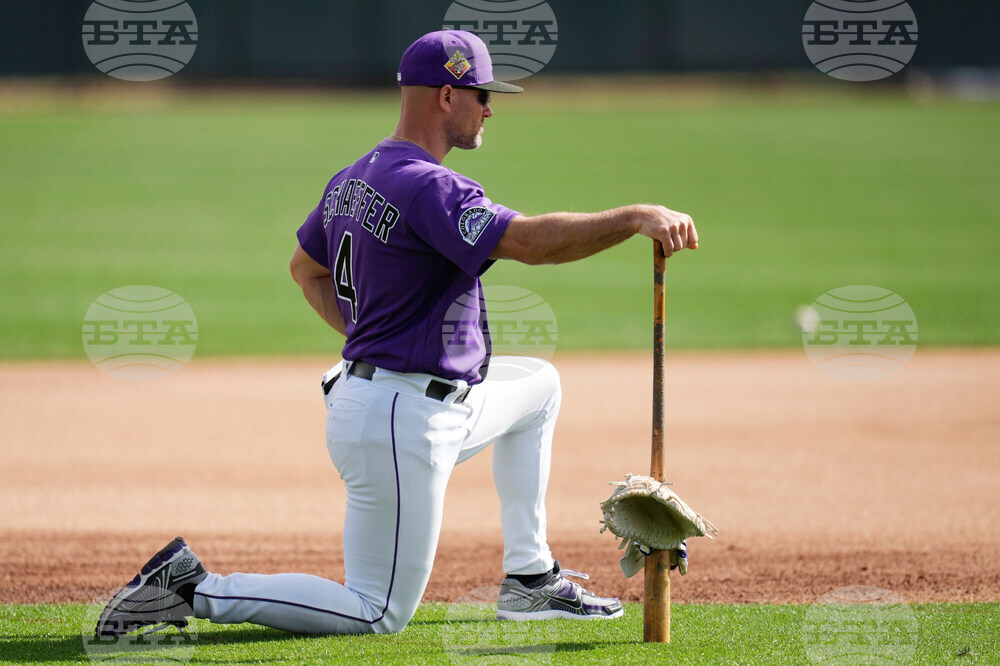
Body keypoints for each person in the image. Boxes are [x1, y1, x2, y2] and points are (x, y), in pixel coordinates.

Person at [95, 29, 698, 638]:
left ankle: (530, 578)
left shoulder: (356, 176)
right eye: (481, 93)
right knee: (377, 611)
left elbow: (304, 269)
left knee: (538, 387)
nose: (491, 107)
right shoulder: (431, 185)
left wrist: (369, 334)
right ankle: (191, 590)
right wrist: (633, 218)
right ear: (445, 96)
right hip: (398, 422)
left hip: (399, 403)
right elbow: (532, 245)